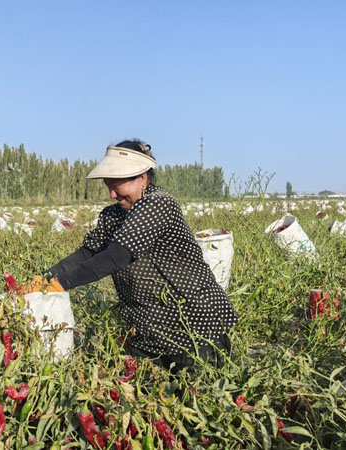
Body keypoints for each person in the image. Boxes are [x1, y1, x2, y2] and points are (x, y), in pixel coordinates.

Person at [30, 139, 238, 372]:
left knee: (196, 394)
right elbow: (88, 252)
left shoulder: (158, 204)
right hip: (149, 328)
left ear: (141, 177)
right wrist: (47, 278)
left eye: (116, 185)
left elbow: (116, 256)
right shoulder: (113, 215)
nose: (111, 194)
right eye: (108, 185)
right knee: (147, 398)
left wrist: (61, 284)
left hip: (192, 324)